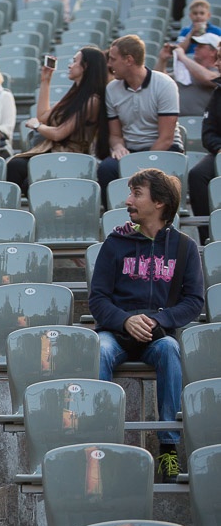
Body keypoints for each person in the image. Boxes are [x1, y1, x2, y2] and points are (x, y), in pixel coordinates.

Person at [89, 168, 203, 483]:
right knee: (98, 349)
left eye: (136, 194)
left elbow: (194, 301)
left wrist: (157, 319)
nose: (128, 201)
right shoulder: (115, 243)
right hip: (114, 333)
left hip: (157, 335)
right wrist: (125, 319)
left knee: (170, 349)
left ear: (160, 203)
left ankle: (168, 447)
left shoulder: (184, 247)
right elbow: (97, 299)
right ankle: (103, 446)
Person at [8, 47, 109, 193]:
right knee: (15, 166)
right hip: (53, 154)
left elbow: (58, 133)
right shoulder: (74, 95)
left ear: (86, 66)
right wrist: (45, 81)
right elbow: (43, 116)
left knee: (27, 179)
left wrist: (37, 126)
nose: (70, 65)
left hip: (71, 159)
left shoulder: (92, 100)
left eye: (74, 61)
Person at [99, 35, 183, 207]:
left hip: (164, 149)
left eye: (113, 60)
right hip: (131, 150)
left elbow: (166, 138)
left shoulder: (165, 85)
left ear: (128, 60)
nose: (109, 65)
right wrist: (118, 147)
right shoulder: (112, 89)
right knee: (106, 168)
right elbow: (115, 134)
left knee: (148, 179)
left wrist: (139, 165)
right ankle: (115, 222)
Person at [189, 40, 221, 244]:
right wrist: (219, 148)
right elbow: (208, 133)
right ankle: (207, 237)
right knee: (198, 175)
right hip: (220, 152)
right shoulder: (218, 92)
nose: (216, 63)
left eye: (220, 59)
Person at [156, 33, 220, 116]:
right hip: (178, 122)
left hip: (202, 123)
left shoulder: (217, 71)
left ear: (213, 51)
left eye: (201, 46)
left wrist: (182, 57)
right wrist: (162, 60)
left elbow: (209, 78)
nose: (196, 48)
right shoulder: (186, 70)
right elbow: (160, 81)